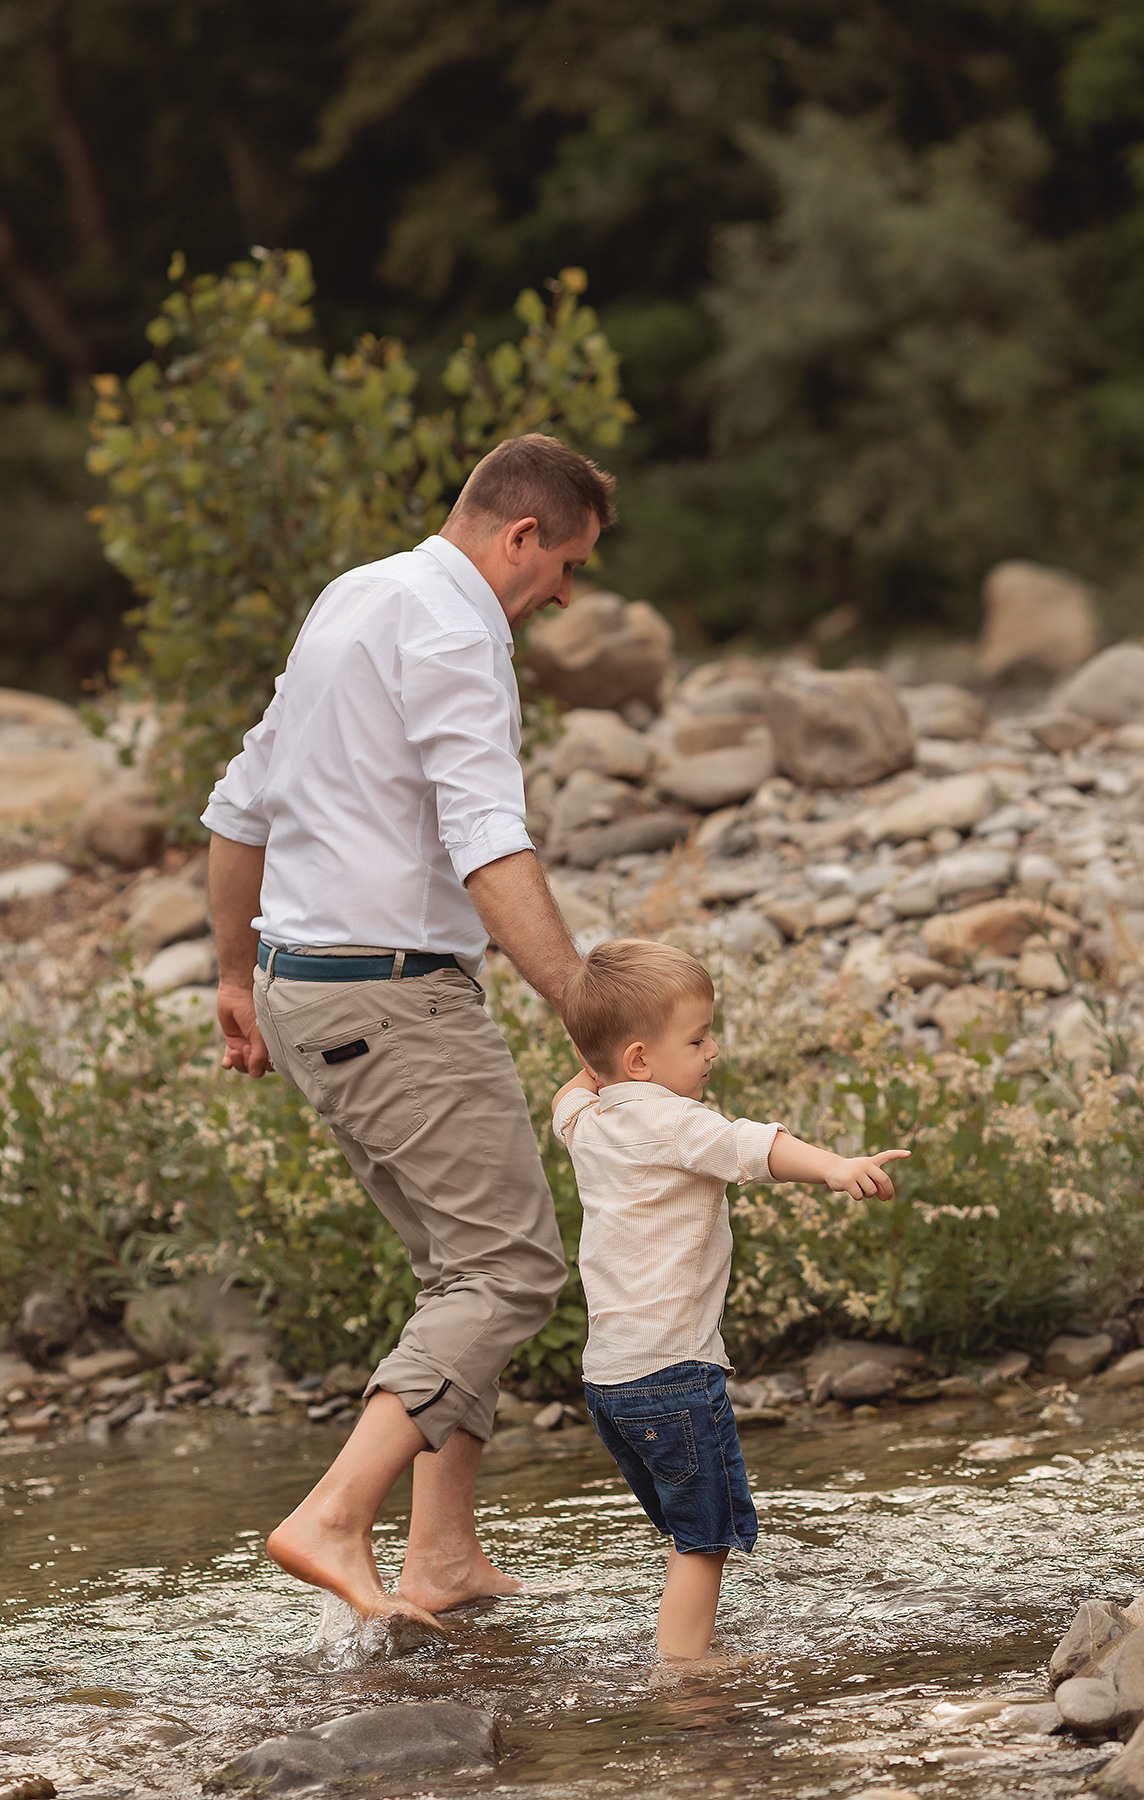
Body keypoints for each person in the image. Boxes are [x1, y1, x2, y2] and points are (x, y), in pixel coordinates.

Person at [202, 432, 617, 1629]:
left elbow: (242, 799)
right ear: (520, 536)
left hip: (305, 984)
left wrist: (236, 976)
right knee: (512, 1266)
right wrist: (588, 1013)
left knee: (459, 1266)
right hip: (390, 995)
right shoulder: (454, 628)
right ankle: (333, 1515)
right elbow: (490, 837)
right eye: (566, 566)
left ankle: (442, 1557)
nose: (565, 596)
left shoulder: (357, 595)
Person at [552, 939, 908, 1661]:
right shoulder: (675, 1122)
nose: (713, 1050)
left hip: (609, 1383)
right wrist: (836, 1166)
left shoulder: (588, 1125)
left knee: (687, 1528)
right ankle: (685, 1673)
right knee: (705, 1538)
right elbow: (756, 1147)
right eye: (697, 1037)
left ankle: (677, 1648)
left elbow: (572, 1090)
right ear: (642, 1060)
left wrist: (597, 1049)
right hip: (675, 1377)